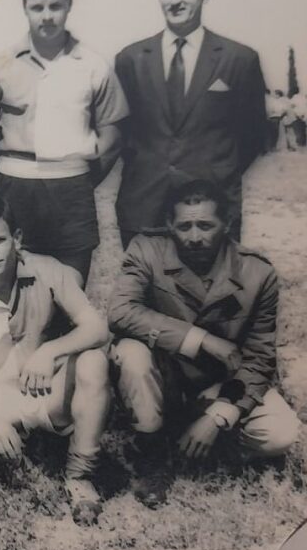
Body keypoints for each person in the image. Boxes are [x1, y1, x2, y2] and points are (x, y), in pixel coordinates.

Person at [109, 180, 300, 508]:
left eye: (205, 225)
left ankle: (206, 439)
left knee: (282, 433)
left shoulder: (258, 272)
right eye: (184, 226)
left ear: (227, 224)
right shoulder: (146, 249)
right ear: (170, 225)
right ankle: (153, 452)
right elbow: (121, 313)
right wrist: (201, 340)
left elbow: (258, 359)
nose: (194, 237)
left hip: (217, 386)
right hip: (163, 379)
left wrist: (219, 416)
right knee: (131, 353)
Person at [0, 196, 111, 525]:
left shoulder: (47, 270)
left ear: (16, 238)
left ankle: (80, 475)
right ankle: (14, 448)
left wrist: (49, 351)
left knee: (93, 364)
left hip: (45, 389)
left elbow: (97, 328)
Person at [0, 0, 128, 284]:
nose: (47, 16)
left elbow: (113, 131)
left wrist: (82, 179)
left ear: (69, 5)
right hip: (15, 187)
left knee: (70, 289)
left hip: (71, 188)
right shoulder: (2, 65)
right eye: (37, 7)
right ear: (24, 7)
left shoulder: (93, 65)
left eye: (55, 6)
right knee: (18, 287)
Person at [114, 0, 267, 246]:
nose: (175, 0)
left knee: (212, 290)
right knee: (146, 290)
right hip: (144, 205)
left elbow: (254, 135)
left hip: (211, 207)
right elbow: (122, 135)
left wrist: (213, 170)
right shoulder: (130, 59)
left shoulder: (239, 59)